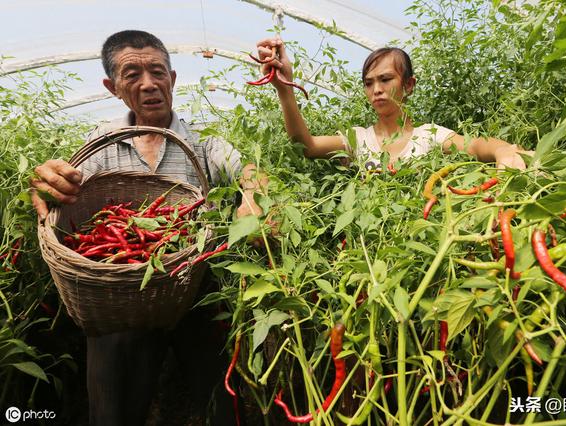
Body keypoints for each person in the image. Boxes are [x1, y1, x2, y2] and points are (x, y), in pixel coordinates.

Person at [30, 30, 265, 425]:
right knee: (112, 404)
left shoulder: (205, 143)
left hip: (192, 285)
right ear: (113, 87)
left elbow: (250, 171)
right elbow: (63, 193)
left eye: (157, 71)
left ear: (173, 79)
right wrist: (48, 186)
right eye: (132, 73)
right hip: (120, 295)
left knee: (221, 398)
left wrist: (254, 195)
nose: (149, 83)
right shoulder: (101, 143)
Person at [254, 38, 531, 170]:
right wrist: (285, 88)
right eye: (369, 82)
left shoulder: (429, 137)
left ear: (408, 85)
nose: (376, 89)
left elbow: (476, 145)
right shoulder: (358, 139)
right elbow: (307, 146)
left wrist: (503, 151)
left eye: (386, 79)